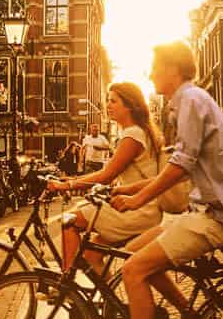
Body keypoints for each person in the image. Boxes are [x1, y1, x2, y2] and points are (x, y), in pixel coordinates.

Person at [99, 41, 223, 319]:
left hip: (221, 216)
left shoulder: (190, 101)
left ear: (173, 69)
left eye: (155, 67)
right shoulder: (186, 101)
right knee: (133, 252)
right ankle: (195, 316)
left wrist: (139, 197)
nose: (151, 73)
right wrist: (130, 191)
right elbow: (181, 164)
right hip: (208, 210)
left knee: (133, 269)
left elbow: (181, 163)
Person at [48, 83, 164, 273]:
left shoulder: (132, 135)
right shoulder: (142, 131)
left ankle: (67, 285)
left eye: (113, 101)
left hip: (138, 209)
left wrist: (65, 185)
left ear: (129, 106)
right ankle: (110, 302)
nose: (108, 105)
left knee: (69, 220)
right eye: (107, 101)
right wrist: (72, 181)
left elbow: (106, 175)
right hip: (143, 206)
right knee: (92, 256)